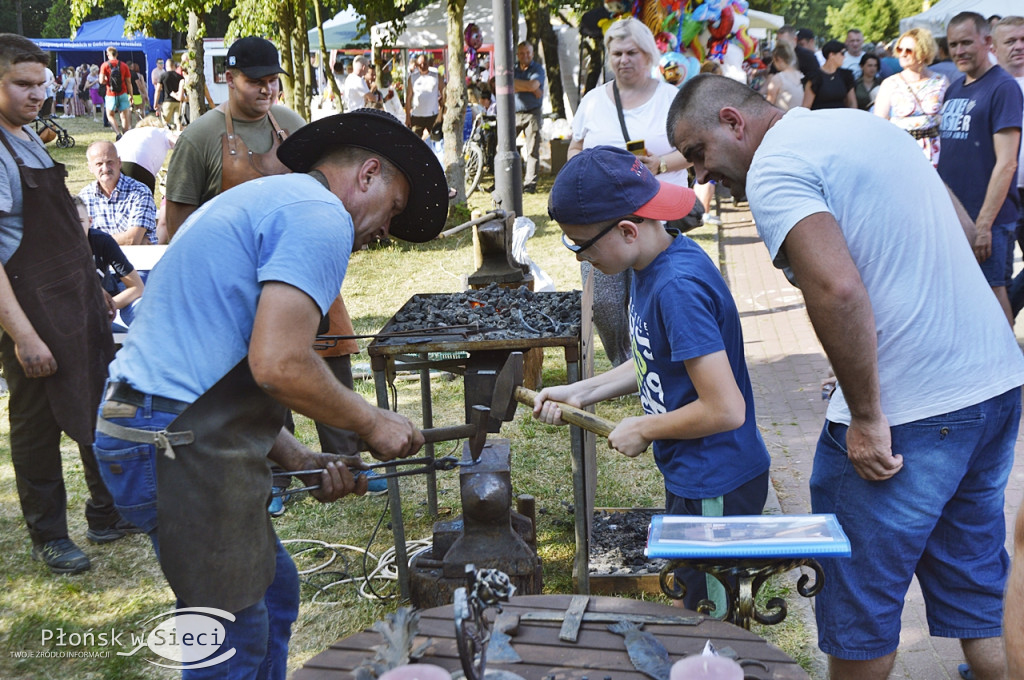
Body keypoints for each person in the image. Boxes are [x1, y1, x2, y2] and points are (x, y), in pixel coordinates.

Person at [667, 72, 1024, 680]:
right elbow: (962, 232)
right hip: (992, 385)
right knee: (978, 597)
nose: (700, 175)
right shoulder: (860, 126)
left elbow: (836, 290)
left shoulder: (774, 169)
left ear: (734, 121)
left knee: (860, 609)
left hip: (916, 414)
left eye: (698, 154)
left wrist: (865, 412)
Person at [94, 107, 448, 679]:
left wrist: (302, 457)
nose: (384, 231)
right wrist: (372, 423)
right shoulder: (320, 216)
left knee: (277, 592)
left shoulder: (276, 199)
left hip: (153, 419)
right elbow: (279, 363)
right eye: (394, 209)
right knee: (232, 638)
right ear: (368, 174)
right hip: (169, 441)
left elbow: (221, 362)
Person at [540, 145, 770, 615]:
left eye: (581, 245)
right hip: (694, 472)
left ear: (627, 229)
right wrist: (582, 391)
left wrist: (643, 428)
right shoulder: (650, 263)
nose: (580, 258)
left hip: (717, 483)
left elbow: (725, 408)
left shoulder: (676, 288)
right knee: (694, 599)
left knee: (710, 620)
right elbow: (656, 358)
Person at [0, 34, 133, 575]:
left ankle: (106, 513)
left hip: (75, 301)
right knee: (36, 424)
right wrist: (24, 337)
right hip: (29, 311)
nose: (37, 95)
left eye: (42, 84)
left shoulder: (26, 135)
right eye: (22, 84)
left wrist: (93, 286)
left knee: (96, 404)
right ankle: (50, 535)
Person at [567, 16, 690, 368]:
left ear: (648, 54)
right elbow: (575, 148)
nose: (624, 60)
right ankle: (624, 361)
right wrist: (582, 173)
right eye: (617, 52)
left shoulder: (671, 98)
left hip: (654, 213)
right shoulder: (592, 101)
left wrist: (660, 165)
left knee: (653, 291)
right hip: (602, 217)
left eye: (632, 52)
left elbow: (693, 150)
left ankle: (660, 357)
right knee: (605, 302)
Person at [164, 37, 305, 236]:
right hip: (221, 261)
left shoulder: (293, 125)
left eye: (273, 81)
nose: (267, 90)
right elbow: (177, 227)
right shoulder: (198, 137)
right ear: (230, 79)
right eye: (256, 82)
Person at [937, 12, 1022, 326]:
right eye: (953, 44)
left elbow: (1007, 162)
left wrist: (983, 225)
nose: (959, 51)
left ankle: (1011, 371)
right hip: (956, 216)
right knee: (965, 296)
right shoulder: (954, 88)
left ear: (987, 42)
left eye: (966, 42)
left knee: (993, 292)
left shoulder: (1003, 88)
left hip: (989, 220)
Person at [874, 28, 949, 167]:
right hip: (901, 152)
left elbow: (950, 118)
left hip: (936, 152)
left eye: (908, 50)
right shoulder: (890, 84)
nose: (902, 54)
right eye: (899, 49)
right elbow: (879, 124)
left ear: (923, 52)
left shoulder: (941, 81)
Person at [73, 195, 144, 331]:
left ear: (90, 221)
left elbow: (137, 287)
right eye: (69, 221)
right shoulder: (53, 249)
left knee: (143, 313)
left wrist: (105, 307)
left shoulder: (102, 241)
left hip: (102, 313)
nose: (74, 227)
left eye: (80, 221)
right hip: (67, 319)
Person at [995, 17, 1024, 321]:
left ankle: (1004, 320)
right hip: (1000, 194)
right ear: (994, 45)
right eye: (1011, 41)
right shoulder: (987, 85)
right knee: (997, 275)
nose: (1019, 46)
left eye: (1023, 39)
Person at [78, 141, 158, 246]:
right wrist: (125, 239)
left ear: (119, 162)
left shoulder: (140, 192)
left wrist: (92, 242)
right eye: (99, 164)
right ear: (90, 168)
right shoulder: (84, 197)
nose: (105, 169)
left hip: (137, 260)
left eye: (110, 162)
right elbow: (78, 240)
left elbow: (132, 240)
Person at [114, 115, 178, 194]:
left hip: (116, 163)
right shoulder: (161, 131)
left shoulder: (129, 133)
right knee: (144, 201)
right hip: (140, 167)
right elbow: (179, 143)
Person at [513, 41, 545, 193]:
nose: (525, 56)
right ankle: (508, 179)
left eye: (528, 53)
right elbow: (503, 83)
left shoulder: (538, 68)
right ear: (518, 54)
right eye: (522, 53)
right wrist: (530, 87)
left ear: (532, 54)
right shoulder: (512, 68)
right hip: (513, 113)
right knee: (505, 147)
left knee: (532, 149)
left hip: (532, 113)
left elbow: (533, 85)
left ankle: (530, 184)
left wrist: (516, 85)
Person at [802, 40, 856, 109]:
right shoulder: (815, 77)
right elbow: (806, 105)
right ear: (831, 55)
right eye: (842, 53)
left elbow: (852, 102)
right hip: (820, 117)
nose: (844, 57)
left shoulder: (846, 75)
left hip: (841, 117)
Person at [406, 53, 444, 140]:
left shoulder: (436, 76)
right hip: (417, 116)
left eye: (425, 63)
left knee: (436, 140)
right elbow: (408, 98)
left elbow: (443, 94)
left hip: (433, 115)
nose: (422, 66)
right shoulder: (412, 78)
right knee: (414, 141)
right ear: (416, 65)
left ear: (429, 63)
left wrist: (442, 113)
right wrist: (407, 117)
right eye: (420, 64)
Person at [99, 46, 134, 139]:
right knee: (124, 116)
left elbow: (101, 81)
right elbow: (129, 82)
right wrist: (131, 95)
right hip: (123, 93)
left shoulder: (104, 65)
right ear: (117, 54)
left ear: (107, 54)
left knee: (110, 115)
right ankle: (126, 135)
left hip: (111, 94)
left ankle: (118, 134)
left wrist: (107, 80)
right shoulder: (124, 65)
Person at [764, 42, 805, 111]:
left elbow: (769, 106)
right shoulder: (803, 77)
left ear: (779, 59)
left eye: (774, 61)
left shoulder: (778, 78)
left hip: (783, 119)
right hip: (801, 119)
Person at [153, 57, 183, 130]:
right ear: (174, 66)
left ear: (166, 66)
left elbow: (158, 90)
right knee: (178, 122)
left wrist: (155, 103)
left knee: (165, 123)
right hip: (178, 101)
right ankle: (179, 136)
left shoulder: (163, 76)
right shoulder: (180, 77)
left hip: (167, 101)